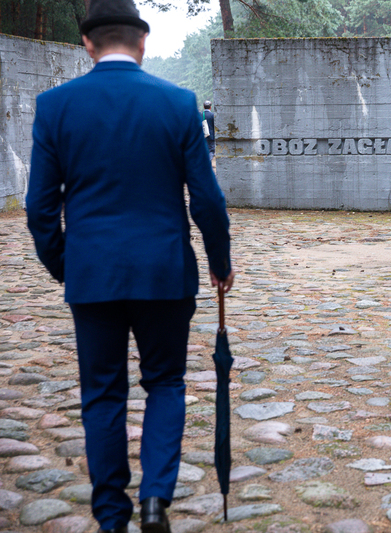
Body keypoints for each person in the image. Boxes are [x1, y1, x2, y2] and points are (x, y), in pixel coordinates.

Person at [25, 0, 235, 532]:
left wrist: (65, 265)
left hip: (92, 274)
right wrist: (219, 261)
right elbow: (206, 200)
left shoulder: (55, 107)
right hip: (164, 272)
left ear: (88, 45)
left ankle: (111, 514)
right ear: (142, 42)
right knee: (165, 382)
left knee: (102, 391)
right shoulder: (177, 103)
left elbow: (40, 207)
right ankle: (156, 499)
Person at [202, 100, 216, 171]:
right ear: (210, 107)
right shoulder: (212, 115)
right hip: (211, 136)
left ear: (203, 107)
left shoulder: (201, 114)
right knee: (211, 150)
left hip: (203, 136)